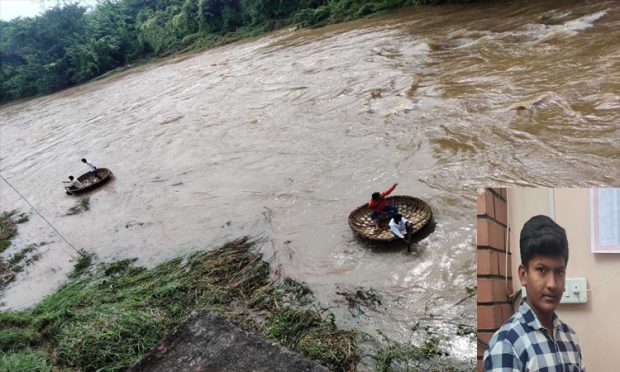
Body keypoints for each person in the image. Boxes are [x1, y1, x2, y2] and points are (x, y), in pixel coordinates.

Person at [483, 215, 585, 371]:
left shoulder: (570, 338)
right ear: (523, 275)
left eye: (559, 272)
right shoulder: (506, 344)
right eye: (541, 270)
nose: (552, 284)